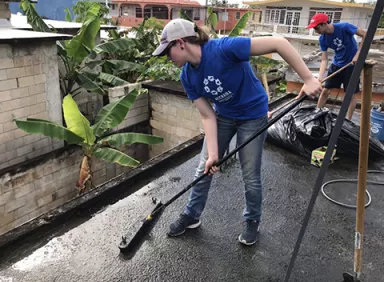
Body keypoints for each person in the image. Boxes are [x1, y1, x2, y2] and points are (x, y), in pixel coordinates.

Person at [152, 18, 321, 246]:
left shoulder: (225, 49)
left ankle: (252, 220)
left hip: (253, 115)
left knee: (250, 174)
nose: (167, 58)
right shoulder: (187, 76)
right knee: (203, 168)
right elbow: (207, 115)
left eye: (167, 52)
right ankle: (192, 215)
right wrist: (213, 155)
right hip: (223, 116)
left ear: (180, 43)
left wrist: (308, 78)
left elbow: (280, 43)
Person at [307, 13, 366, 120]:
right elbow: (324, 59)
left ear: (324, 24)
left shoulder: (344, 27)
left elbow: (365, 34)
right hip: (337, 64)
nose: (316, 31)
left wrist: (358, 55)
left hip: (352, 65)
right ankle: (316, 116)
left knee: (350, 94)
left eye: (316, 28)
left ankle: (348, 121)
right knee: (325, 91)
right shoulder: (322, 39)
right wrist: (319, 77)